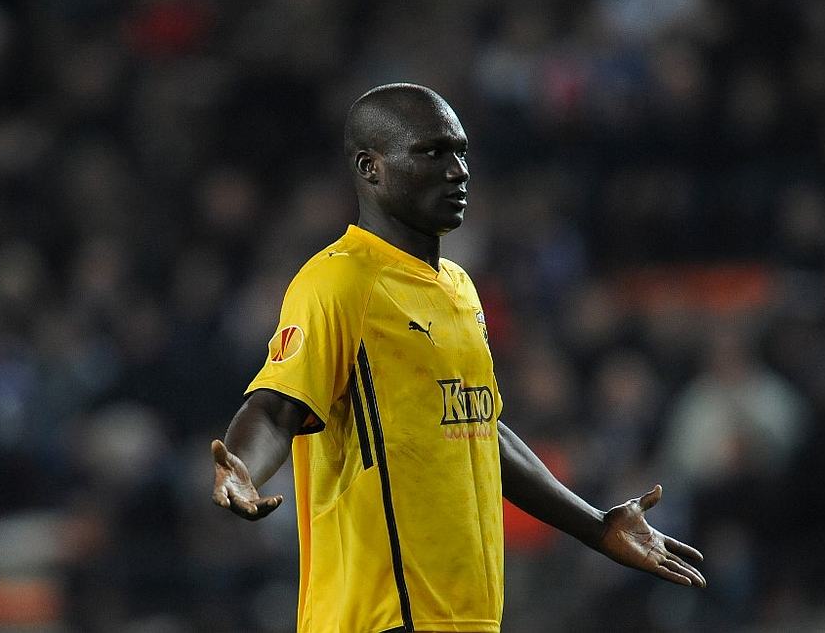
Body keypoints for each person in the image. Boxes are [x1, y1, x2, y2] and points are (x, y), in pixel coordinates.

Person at [211, 83, 705, 633]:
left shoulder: (460, 288)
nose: (457, 171)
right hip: (382, 616)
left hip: (464, 617)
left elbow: (480, 431)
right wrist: (243, 467)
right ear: (370, 167)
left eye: (461, 153)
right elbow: (277, 406)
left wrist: (595, 526)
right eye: (431, 153)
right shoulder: (339, 280)